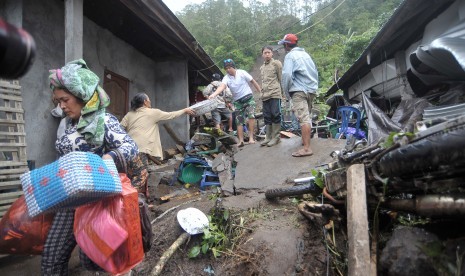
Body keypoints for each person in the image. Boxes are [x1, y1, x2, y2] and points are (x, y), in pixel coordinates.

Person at [46, 59, 139, 274]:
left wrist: (109, 157)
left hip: (98, 201)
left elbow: (130, 147)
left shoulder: (104, 121)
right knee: (52, 255)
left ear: (83, 96)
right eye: (58, 101)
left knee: (95, 258)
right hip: (69, 199)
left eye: (65, 100)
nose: (61, 106)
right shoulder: (69, 123)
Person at [121, 92, 195, 165]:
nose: (150, 101)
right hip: (143, 150)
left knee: (128, 173)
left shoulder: (129, 114)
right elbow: (171, 115)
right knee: (141, 174)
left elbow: (119, 128)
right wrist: (184, 110)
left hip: (128, 148)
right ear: (145, 102)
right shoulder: (153, 112)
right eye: (148, 99)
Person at [279, 33, 318, 157]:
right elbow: (315, 72)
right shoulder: (306, 55)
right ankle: (305, 141)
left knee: (303, 118)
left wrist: (286, 92)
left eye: (284, 45)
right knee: (307, 117)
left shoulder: (290, 56)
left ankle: (307, 148)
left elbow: (287, 76)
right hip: (311, 90)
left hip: (299, 91)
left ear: (286, 45)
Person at [208, 59, 261, 147]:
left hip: (248, 98)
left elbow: (253, 81)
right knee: (239, 121)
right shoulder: (226, 78)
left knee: (251, 116)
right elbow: (222, 86)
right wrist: (214, 94)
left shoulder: (242, 72)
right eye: (226, 69)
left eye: (229, 68)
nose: (228, 70)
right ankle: (241, 141)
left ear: (233, 67)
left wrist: (260, 91)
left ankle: (251, 138)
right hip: (237, 101)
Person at [259, 46, 284, 147]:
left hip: (275, 93)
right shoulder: (262, 67)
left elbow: (280, 78)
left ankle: (276, 137)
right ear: (262, 55)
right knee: (267, 116)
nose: (267, 54)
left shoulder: (276, 64)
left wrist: (283, 94)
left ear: (272, 53)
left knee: (275, 114)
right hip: (265, 95)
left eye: (269, 52)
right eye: (265, 53)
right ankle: (268, 137)